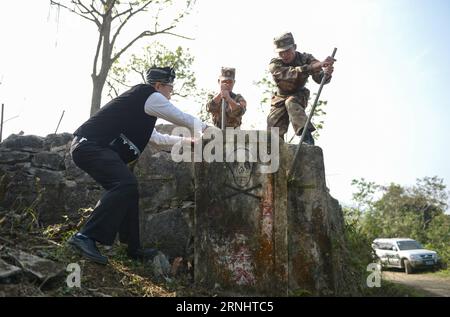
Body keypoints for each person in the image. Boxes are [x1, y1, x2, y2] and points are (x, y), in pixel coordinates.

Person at [68, 67, 207, 265]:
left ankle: (132, 248)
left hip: (91, 148)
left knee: (129, 190)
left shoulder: (140, 109)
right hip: (90, 146)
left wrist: (189, 142)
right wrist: (208, 129)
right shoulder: (148, 94)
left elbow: (157, 139)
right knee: (125, 184)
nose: (171, 92)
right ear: (158, 86)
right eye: (170, 87)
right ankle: (85, 237)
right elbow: (182, 117)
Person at [267, 32, 335, 144]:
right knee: (273, 129)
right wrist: (315, 66)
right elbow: (291, 74)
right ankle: (276, 150)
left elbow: (319, 78)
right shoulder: (275, 64)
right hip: (279, 97)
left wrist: (327, 73)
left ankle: (306, 138)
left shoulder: (306, 58)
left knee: (291, 102)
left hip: (298, 94)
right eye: (281, 53)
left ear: (294, 47)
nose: (284, 55)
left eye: (287, 51)